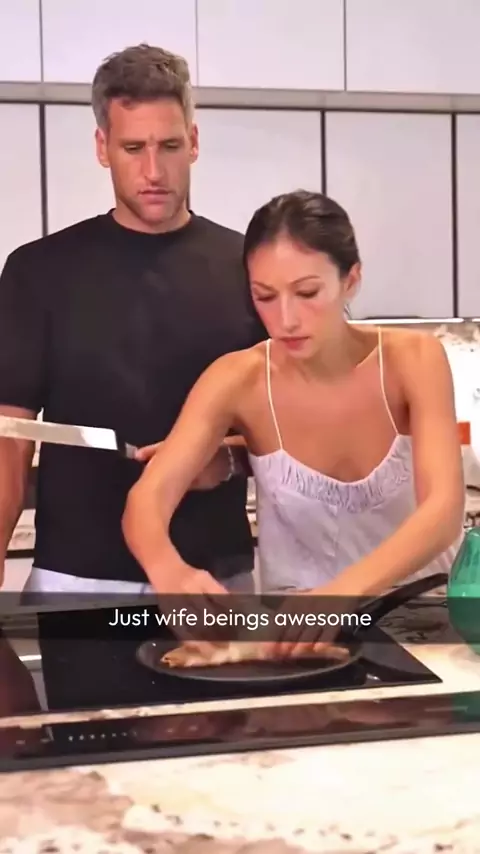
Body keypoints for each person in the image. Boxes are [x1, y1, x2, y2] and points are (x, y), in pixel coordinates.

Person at [122, 189, 465, 629]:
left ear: (351, 280)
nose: (286, 319)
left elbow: (442, 512)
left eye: (307, 292)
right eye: (265, 296)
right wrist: (169, 570)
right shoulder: (236, 379)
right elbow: (146, 500)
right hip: (300, 637)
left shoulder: (413, 360)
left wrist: (341, 594)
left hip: (430, 626)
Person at [0, 43, 266, 603]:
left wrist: (223, 459)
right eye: (133, 148)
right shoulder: (37, 271)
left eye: (169, 146)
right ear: (103, 147)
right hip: (76, 582)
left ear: (194, 142)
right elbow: (10, 441)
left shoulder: (250, 268)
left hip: (217, 579)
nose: (153, 171)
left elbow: (286, 433)